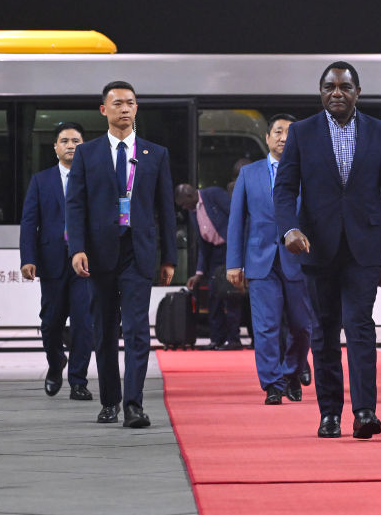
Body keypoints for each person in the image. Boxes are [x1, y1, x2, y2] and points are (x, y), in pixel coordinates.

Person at [274, 61, 381, 440]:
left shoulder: (380, 131)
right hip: (317, 247)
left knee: (361, 326)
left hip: (365, 247)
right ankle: (329, 413)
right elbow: (284, 188)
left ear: (357, 93)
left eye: (345, 87)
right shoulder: (302, 133)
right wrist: (289, 228)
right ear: (321, 93)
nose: (337, 93)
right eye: (329, 87)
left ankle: (365, 411)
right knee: (325, 330)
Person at [66, 81, 177, 428]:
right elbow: (75, 205)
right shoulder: (87, 154)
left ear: (137, 108)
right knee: (103, 330)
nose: (124, 108)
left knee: (137, 330)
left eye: (130, 103)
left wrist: (169, 258)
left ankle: (134, 405)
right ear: (104, 110)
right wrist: (77, 248)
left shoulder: (155, 154)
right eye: (117, 103)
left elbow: (166, 209)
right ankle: (109, 401)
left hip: (138, 252)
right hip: (98, 254)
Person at [227, 114, 314, 405]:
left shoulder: (309, 171)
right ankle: (272, 384)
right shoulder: (249, 174)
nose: (283, 137)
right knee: (266, 327)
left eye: (289, 132)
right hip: (260, 261)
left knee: (302, 326)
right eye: (278, 132)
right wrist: (233, 263)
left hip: (300, 261)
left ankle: (292, 373)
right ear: (267, 138)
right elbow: (236, 221)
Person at [20, 122, 94, 400]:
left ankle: (78, 381)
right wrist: (28, 258)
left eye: (76, 141)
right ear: (55, 148)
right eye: (65, 141)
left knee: (83, 324)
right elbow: (29, 223)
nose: (71, 145)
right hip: (52, 261)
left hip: (86, 263)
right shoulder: (41, 181)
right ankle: (55, 362)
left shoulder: (94, 179)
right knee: (50, 323)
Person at [175, 182, 243, 349]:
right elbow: (203, 245)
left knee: (230, 294)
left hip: (230, 248)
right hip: (214, 253)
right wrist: (199, 273)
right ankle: (216, 339)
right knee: (213, 296)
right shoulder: (193, 212)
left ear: (190, 195)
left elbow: (236, 216)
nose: (184, 207)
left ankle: (234, 339)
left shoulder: (213, 195)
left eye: (183, 203)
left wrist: (240, 250)